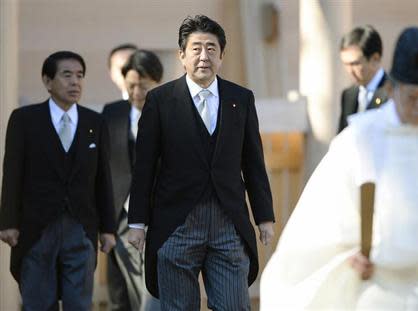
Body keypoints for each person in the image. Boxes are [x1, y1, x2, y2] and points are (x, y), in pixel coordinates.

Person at [260, 27, 418, 310]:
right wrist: (350, 251)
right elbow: (326, 210)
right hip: (381, 285)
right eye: (412, 97)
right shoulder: (361, 136)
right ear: (393, 89)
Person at [127, 15, 275, 311]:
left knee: (234, 306)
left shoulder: (241, 99)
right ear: (182, 55)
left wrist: (264, 217)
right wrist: (137, 223)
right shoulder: (160, 100)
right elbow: (144, 167)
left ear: (222, 55)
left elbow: (253, 162)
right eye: (196, 49)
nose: (204, 56)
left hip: (228, 224)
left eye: (211, 48)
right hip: (175, 224)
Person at [0, 51, 117, 310]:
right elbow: (12, 173)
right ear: (47, 81)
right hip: (36, 227)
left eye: (80, 76)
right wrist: (8, 222)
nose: (75, 82)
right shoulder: (25, 120)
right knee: (39, 301)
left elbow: (102, 178)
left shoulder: (94, 122)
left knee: (79, 302)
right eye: (67, 75)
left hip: (81, 227)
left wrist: (107, 229)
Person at [103, 49, 163, 311]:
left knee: (153, 285)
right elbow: (103, 167)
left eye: (144, 86)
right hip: (122, 216)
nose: (137, 92)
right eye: (132, 86)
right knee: (127, 288)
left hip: (159, 213)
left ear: (158, 82)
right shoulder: (112, 112)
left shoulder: (172, 112)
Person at [338, 25, 389, 133]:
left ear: (375, 59)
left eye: (355, 63)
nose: (349, 71)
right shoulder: (348, 95)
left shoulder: (393, 93)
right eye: (345, 64)